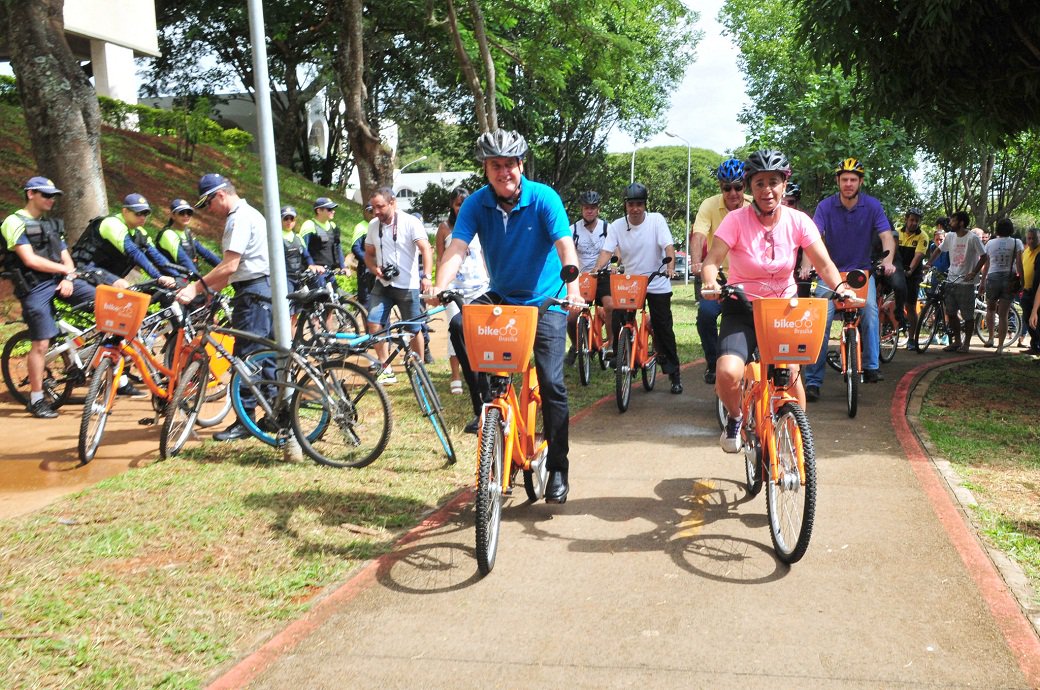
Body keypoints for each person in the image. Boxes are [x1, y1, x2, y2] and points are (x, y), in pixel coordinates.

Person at [433, 128, 582, 504]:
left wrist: (574, 288)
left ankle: (559, 467)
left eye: (510, 164)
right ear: (486, 169)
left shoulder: (544, 198)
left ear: (521, 165)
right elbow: (457, 247)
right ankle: (485, 407)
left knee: (551, 383)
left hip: (546, 299)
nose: (504, 172)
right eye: (495, 165)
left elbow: (565, 245)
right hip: (503, 295)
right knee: (458, 324)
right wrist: (439, 284)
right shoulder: (476, 204)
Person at [700, 150, 852, 452]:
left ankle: (796, 441)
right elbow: (711, 260)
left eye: (774, 182)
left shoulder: (799, 221)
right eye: (759, 183)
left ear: (784, 184)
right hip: (742, 306)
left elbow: (823, 263)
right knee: (728, 373)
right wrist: (709, 282)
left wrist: (841, 287)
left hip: (784, 310)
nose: (767, 190)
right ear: (750, 187)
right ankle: (735, 416)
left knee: (792, 377)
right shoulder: (735, 220)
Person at [175, 174, 273, 441]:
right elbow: (238, 268)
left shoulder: (238, 218)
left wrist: (196, 288)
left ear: (220, 195)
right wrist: (212, 290)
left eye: (208, 203)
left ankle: (245, 421)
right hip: (264, 288)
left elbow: (230, 265)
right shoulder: (250, 213)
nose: (209, 211)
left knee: (246, 357)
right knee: (266, 355)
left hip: (253, 293)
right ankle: (275, 414)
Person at [1, 176, 96, 418]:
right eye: (46, 195)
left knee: (106, 304)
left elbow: (67, 259)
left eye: (53, 196)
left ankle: (99, 373)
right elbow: (29, 260)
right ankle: (36, 398)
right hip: (34, 287)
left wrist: (68, 277)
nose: (51, 200)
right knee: (41, 343)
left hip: (61, 280)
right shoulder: (14, 222)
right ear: (31, 194)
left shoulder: (52, 224)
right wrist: (64, 271)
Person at [802, 157, 896, 401]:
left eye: (853, 179)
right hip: (829, 274)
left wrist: (888, 261)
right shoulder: (825, 206)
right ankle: (812, 381)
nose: (848, 184)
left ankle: (871, 365)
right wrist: (806, 265)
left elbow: (886, 235)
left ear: (860, 182)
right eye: (844, 179)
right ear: (838, 181)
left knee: (871, 311)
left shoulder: (873, 206)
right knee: (820, 322)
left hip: (860, 274)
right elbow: (811, 238)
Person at [592, 181, 683, 394]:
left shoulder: (656, 220)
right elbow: (606, 251)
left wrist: (670, 268)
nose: (635, 208)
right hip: (632, 282)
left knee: (663, 326)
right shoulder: (616, 226)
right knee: (617, 314)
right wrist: (597, 268)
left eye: (639, 204)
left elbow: (667, 246)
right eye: (631, 204)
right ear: (625, 205)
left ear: (645, 205)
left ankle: (673, 372)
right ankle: (621, 352)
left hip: (657, 280)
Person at [690, 158, 752, 384]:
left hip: (747, 278)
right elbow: (698, 235)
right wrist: (697, 263)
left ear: (745, 185)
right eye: (728, 188)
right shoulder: (709, 205)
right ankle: (714, 361)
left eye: (738, 186)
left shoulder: (754, 205)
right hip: (717, 277)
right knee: (706, 316)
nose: (733, 193)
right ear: (720, 187)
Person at [364, 187, 433, 381]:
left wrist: (426, 276)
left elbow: (426, 249)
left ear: (393, 202)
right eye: (373, 207)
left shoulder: (410, 222)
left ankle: (418, 366)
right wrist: (374, 268)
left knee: (414, 328)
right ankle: (385, 366)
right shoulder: (372, 225)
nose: (376, 211)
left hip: (407, 285)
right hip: (383, 284)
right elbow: (368, 254)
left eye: (381, 207)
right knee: (373, 323)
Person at [434, 187, 489, 395]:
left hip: (479, 285)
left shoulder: (479, 224)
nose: (461, 208)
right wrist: (439, 285)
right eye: (458, 204)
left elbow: (484, 254)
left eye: (465, 204)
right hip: (454, 287)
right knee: (454, 330)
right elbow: (441, 258)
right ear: (452, 205)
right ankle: (455, 374)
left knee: (480, 332)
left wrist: (489, 277)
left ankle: (479, 373)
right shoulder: (445, 228)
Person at [72, 193, 181, 289]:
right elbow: (133, 252)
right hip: (86, 269)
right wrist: (159, 276)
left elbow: (157, 257)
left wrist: (178, 276)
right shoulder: (112, 224)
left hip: (109, 275)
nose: (143, 217)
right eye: (138, 213)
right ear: (125, 211)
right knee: (124, 287)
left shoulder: (140, 233)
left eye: (145, 214)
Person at [929, 210, 987, 353]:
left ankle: (966, 344)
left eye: (953, 221)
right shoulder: (950, 236)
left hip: (966, 283)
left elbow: (984, 256)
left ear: (961, 223)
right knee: (951, 313)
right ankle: (957, 341)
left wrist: (974, 272)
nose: (950, 223)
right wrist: (929, 263)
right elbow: (938, 250)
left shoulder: (972, 238)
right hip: (951, 280)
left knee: (967, 315)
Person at [566, 189, 613, 364]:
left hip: (603, 275)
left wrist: (615, 264)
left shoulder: (607, 228)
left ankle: (611, 344)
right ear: (582, 209)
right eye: (586, 208)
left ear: (598, 209)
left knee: (610, 306)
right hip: (581, 278)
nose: (590, 211)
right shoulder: (573, 230)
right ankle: (576, 345)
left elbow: (617, 250)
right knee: (571, 318)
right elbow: (566, 252)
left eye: (593, 207)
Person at [979, 218, 1023, 354]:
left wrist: (982, 282)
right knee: (1003, 314)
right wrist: (1022, 281)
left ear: (998, 229)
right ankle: (1000, 346)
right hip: (1009, 278)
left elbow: (986, 265)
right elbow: (1019, 264)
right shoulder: (1017, 242)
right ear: (1011, 229)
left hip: (992, 278)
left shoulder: (990, 243)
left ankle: (991, 338)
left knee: (990, 310)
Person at [156, 198, 222, 276]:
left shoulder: (187, 234)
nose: (186, 215)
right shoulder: (168, 234)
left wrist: (223, 266)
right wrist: (199, 278)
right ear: (173, 215)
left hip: (187, 278)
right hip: (171, 281)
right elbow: (183, 259)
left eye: (189, 213)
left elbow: (206, 254)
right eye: (181, 213)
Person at [895, 208, 930, 351]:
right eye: (912, 220)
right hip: (896, 271)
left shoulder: (923, 236)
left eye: (917, 220)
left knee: (910, 306)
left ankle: (911, 338)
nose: (914, 223)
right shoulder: (897, 232)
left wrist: (909, 270)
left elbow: (919, 256)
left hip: (912, 274)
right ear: (906, 219)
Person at [280, 205, 323, 296]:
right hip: (285, 279)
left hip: (299, 277)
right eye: (286, 218)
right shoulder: (276, 237)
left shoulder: (298, 237)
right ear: (280, 220)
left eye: (292, 219)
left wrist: (312, 265)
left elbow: (306, 255)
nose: (289, 221)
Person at [300, 197, 344, 285]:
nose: (333, 211)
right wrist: (312, 265)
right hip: (315, 273)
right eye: (329, 209)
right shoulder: (309, 225)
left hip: (329, 271)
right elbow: (302, 250)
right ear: (319, 210)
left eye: (333, 209)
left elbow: (338, 248)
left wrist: (343, 267)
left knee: (337, 297)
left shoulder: (333, 226)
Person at [1020, 227, 1040, 354]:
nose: (1031, 241)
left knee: (1037, 320)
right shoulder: (1026, 252)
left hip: (1036, 293)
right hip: (1026, 291)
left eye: (1034, 238)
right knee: (1027, 318)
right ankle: (1034, 345)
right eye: (1029, 238)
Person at [350, 204, 374, 305]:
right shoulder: (361, 227)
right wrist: (368, 261)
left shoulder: (380, 224)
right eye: (370, 211)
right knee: (366, 300)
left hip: (379, 267)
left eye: (374, 210)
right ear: (365, 212)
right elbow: (355, 248)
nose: (373, 214)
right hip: (366, 268)